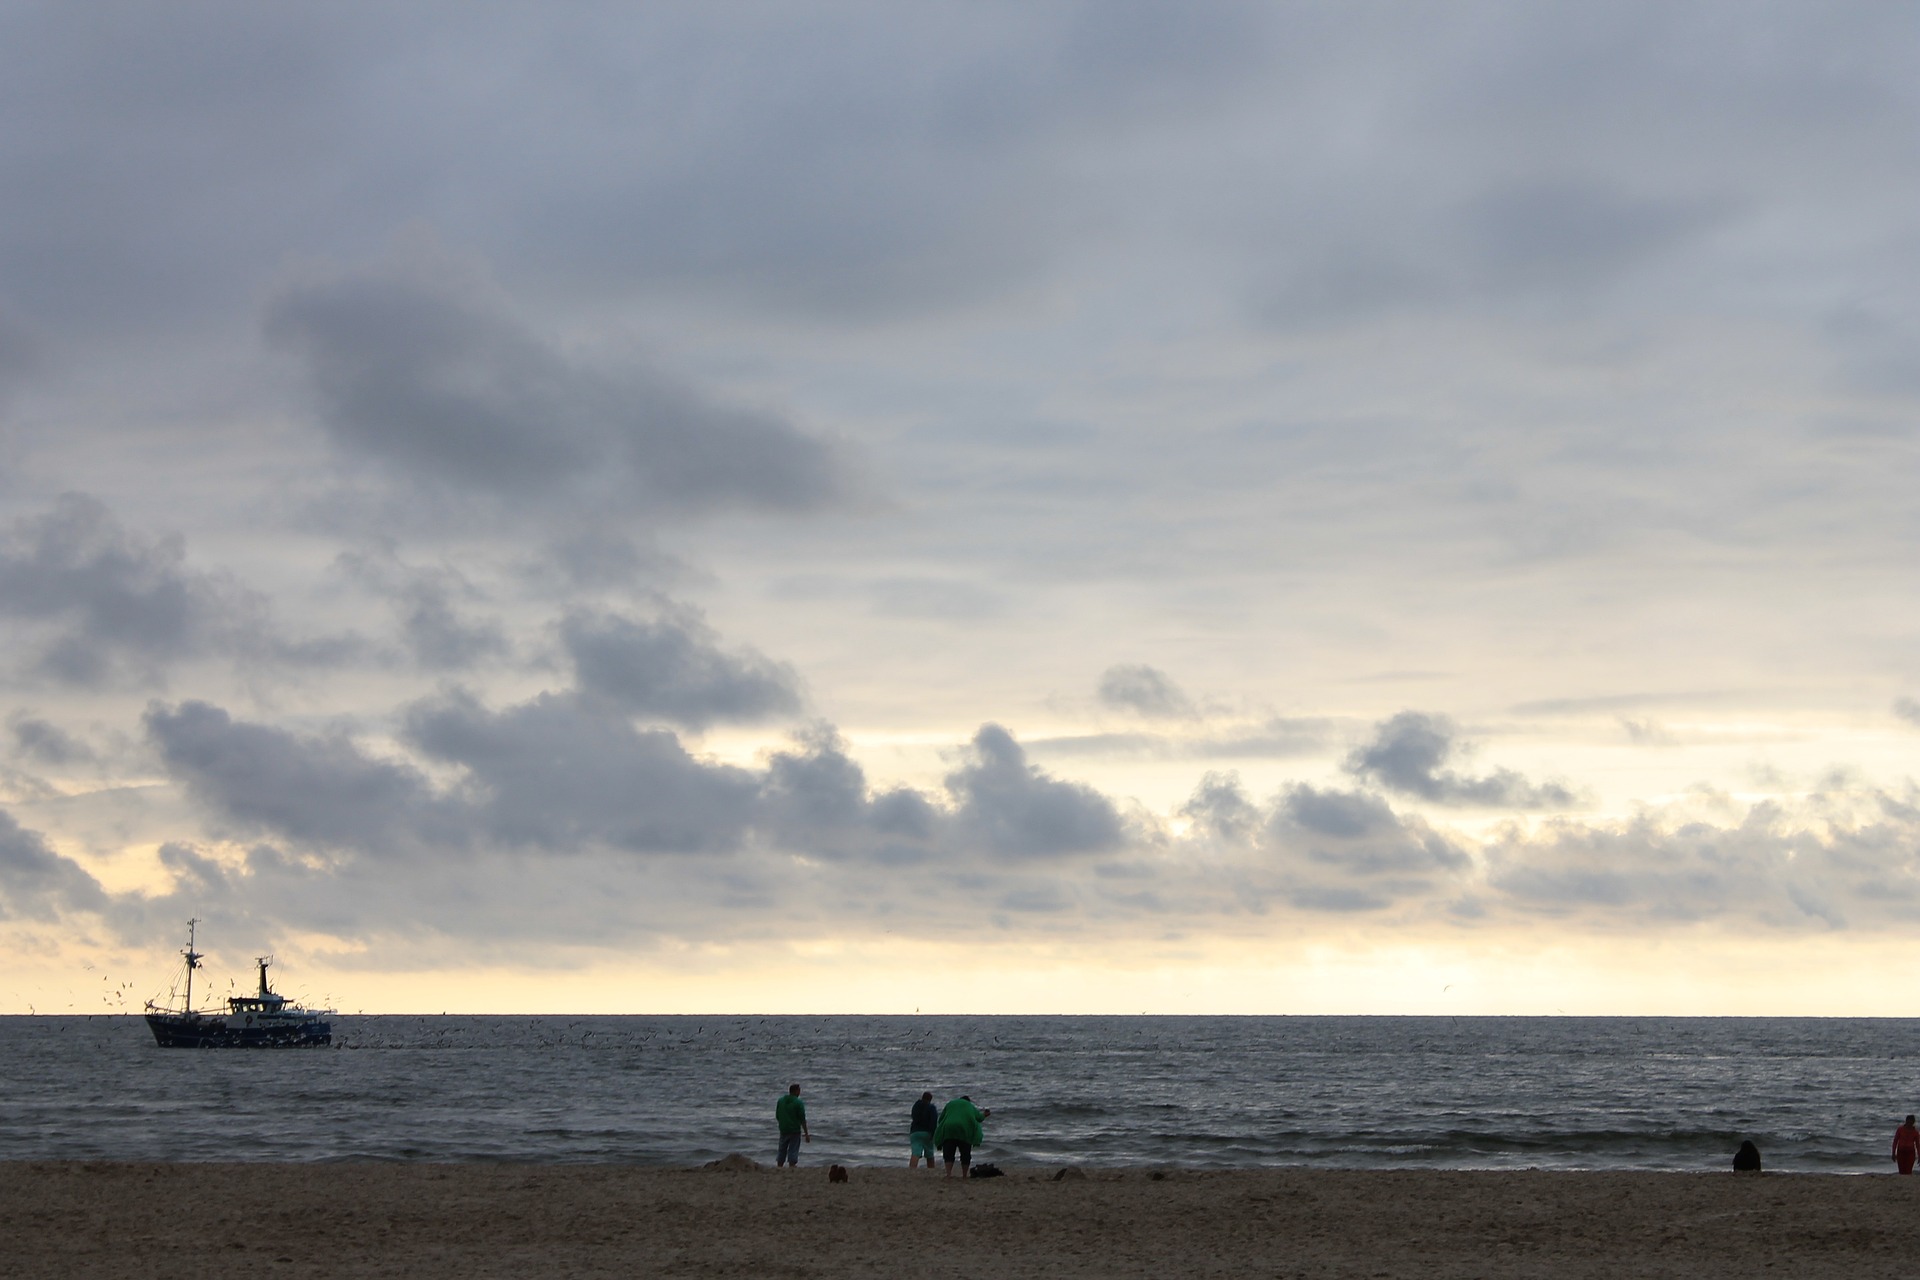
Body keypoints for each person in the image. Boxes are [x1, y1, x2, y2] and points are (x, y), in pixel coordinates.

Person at [934, 1094, 990, 1179]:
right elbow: (979, 1118)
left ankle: (949, 1174)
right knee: (965, 1153)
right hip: (964, 1129)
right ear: (968, 1101)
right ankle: (964, 1175)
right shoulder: (970, 1105)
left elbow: (941, 1119)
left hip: (949, 1129)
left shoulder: (951, 1103)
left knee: (948, 1153)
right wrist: (985, 1114)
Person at [775, 1083, 810, 1168]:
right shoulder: (798, 1102)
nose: (799, 1092)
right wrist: (806, 1133)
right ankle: (792, 1164)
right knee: (793, 1148)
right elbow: (802, 1119)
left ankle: (780, 1165)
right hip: (794, 1129)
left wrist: (782, 1123)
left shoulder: (781, 1100)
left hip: (783, 1128)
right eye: (799, 1090)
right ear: (796, 1091)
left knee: (782, 1148)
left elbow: (777, 1115)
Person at [909, 1091, 940, 1170]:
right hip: (927, 1132)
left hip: (915, 1132)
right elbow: (933, 1121)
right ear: (930, 1099)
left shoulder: (916, 1106)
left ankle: (912, 1169)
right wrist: (933, 1134)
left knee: (915, 1152)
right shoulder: (931, 1108)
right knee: (929, 1152)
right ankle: (931, 1169)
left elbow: (913, 1117)